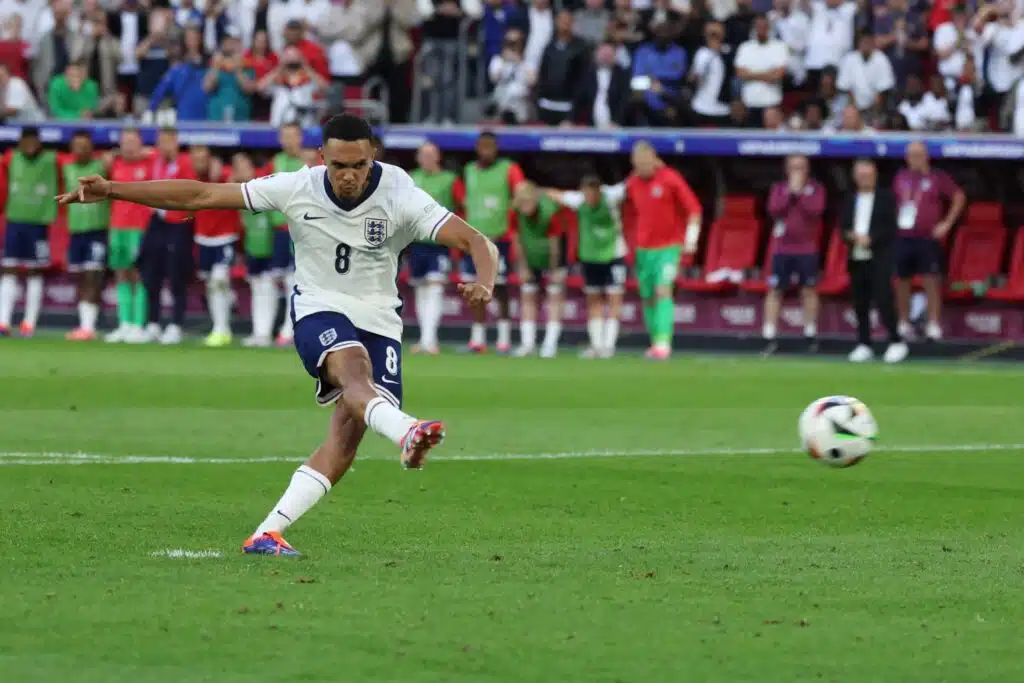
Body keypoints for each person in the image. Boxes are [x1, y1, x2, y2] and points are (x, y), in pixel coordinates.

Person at [57, 114, 499, 556]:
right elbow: (201, 194)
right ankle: (405, 429)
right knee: (354, 371)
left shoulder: (400, 191)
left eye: (358, 165)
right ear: (321, 157)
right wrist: (112, 189)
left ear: (373, 157)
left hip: (381, 319)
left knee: (346, 439)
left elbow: (477, 241)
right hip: (319, 306)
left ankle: (267, 533)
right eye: (339, 165)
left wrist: (485, 281)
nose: (348, 175)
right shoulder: (297, 186)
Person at [623, 142, 702, 360]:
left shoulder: (670, 178)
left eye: (645, 163)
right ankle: (655, 341)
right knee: (648, 297)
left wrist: (691, 240)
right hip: (643, 250)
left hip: (668, 248)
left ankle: (663, 343)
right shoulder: (632, 183)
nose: (642, 168)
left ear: (654, 159)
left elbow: (694, 209)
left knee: (663, 291)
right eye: (638, 164)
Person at [547, 176, 628, 359]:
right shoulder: (578, 200)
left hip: (614, 254)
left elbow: (629, 185)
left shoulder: (612, 196)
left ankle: (609, 346)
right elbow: (555, 195)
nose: (588, 198)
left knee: (614, 299)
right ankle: (597, 345)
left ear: (598, 191)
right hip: (590, 257)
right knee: (594, 299)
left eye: (591, 194)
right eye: (586, 194)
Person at [892, 141, 965, 341]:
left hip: (927, 238)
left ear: (926, 156)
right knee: (901, 281)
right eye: (910, 155)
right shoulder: (900, 177)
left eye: (918, 155)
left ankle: (933, 324)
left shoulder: (937, 177)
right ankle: (903, 323)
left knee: (931, 280)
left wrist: (947, 223)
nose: (913, 159)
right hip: (903, 236)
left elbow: (958, 197)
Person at [460, 131, 526, 354]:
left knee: (501, 288)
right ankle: (477, 339)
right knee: (474, 289)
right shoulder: (469, 170)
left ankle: (504, 339)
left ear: (497, 148)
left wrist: (509, 212)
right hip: (474, 240)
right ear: (477, 148)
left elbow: (521, 193)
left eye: (490, 146)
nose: (486, 150)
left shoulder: (509, 168)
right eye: (483, 146)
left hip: (499, 239)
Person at [841, 158, 908, 364]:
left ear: (875, 175)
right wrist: (851, 236)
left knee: (883, 299)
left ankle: (896, 341)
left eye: (868, 175)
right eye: (860, 175)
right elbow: (842, 225)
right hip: (856, 256)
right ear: (855, 177)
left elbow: (891, 226)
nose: (864, 178)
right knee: (860, 302)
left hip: (879, 256)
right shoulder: (849, 198)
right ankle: (864, 343)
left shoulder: (886, 198)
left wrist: (872, 238)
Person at [762, 155, 826, 354]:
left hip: (807, 249)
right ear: (787, 170)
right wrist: (791, 194)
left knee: (808, 290)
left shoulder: (816, 189)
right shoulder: (779, 189)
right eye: (793, 167)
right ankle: (769, 335)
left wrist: (799, 195)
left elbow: (815, 210)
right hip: (782, 248)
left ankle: (810, 334)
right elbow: (774, 209)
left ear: (808, 169)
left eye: (801, 167)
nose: (797, 171)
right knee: (775, 290)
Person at [137, 128, 195, 345]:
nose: (165, 146)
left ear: (177, 143)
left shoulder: (185, 163)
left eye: (169, 142)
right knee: (151, 274)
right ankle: (152, 322)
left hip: (177, 223)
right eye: (161, 142)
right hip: (156, 222)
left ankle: (176, 324)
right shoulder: (154, 161)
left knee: (176, 274)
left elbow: (189, 192)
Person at [0, 127, 56, 336]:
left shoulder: (52, 160)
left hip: (39, 224)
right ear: (20, 142)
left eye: (34, 141)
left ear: (40, 142)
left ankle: (29, 323)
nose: (30, 145)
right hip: (15, 222)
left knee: (35, 271)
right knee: (9, 269)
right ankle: (3, 321)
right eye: (27, 141)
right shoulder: (10, 158)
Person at [408, 142, 462, 355]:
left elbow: (461, 207)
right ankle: (423, 338)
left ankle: (431, 340)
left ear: (438, 157)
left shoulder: (449, 179)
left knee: (436, 287)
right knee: (421, 288)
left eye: (431, 155)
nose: (427, 159)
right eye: (423, 155)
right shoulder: (412, 178)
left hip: (440, 242)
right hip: (417, 242)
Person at [258, 123, 307, 347]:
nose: (289, 140)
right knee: (274, 279)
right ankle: (264, 330)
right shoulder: (274, 163)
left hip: (302, 230)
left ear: (300, 138)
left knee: (295, 281)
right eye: (285, 136)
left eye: (292, 136)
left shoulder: (310, 163)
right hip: (278, 230)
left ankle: (290, 329)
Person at [105, 128, 153, 344]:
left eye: (133, 142)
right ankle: (124, 323)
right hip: (117, 227)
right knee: (121, 274)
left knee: (138, 274)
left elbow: (160, 154)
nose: (129, 147)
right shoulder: (115, 164)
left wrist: (146, 152)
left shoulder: (149, 163)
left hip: (139, 228)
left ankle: (138, 325)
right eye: (125, 143)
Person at [189, 145, 240, 347]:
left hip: (225, 236)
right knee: (211, 283)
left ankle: (222, 328)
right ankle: (219, 327)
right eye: (195, 159)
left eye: (202, 159)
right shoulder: (192, 178)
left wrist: (225, 178)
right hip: (203, 238)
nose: (199, 163)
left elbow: (240, 182)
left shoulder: (225, 174)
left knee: (219, 279)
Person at [62, 131, 109, 341]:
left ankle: (88, 327)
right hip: (76, 231)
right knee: (81, 278)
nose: (81, 149)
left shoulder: (102, 166)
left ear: (92, 148)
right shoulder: (66, 167)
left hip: (97, 230)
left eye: (85, 145)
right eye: (77, 145)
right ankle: (84, 324)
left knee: (93, 276)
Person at [511, 181, 565, 358]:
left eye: (529, 202)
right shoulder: (514, 213)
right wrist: (523, 267)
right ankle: (528, 344)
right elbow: (517, 240)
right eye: (522, 203)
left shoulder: (549, 212)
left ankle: (550, 345)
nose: (526, 207)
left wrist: (555, 269)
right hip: (530, 257)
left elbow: (555, 243)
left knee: (554, 297)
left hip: (552, 257)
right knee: (527, 297)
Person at [232, 153, 276, 347]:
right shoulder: (237, 192)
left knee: (267, 287)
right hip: (252, 246)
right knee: (257, 287)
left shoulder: (264, 185)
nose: (241, 170)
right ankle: (258, 331)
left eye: (244, 165)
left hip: (269, 245)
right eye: (237, 167)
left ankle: (266, 333)